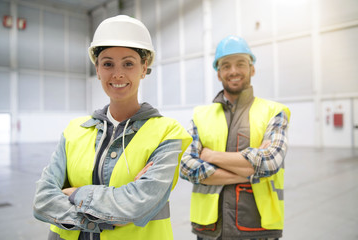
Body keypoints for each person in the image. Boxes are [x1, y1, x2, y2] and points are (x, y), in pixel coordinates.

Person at [33, 15, 192, 240]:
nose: (117, 74)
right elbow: (43, 200)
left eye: (128, 63)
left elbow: (138, 204)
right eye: (108, 64)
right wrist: (112, 212)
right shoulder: (73, 130)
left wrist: (75, 193)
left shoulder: (167, 133)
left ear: (144, 68)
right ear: (97, 69)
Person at [180, 35, 291, 240]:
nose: (233, 71)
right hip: (210, 230)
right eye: (226, 65)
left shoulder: (274, 111)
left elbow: (269, 162)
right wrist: (250, 169)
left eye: (240, 64)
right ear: (218, 73)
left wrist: (210, 155)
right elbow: (186, 166)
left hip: (258, 229)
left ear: (252, 69)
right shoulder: (201, 116)